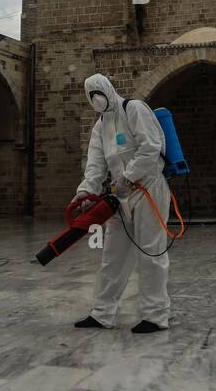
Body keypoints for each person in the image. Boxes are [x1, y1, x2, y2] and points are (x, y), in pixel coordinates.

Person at [72, 73, 170, 333]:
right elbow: (95, 165)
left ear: (108, 90)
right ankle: (103, 314)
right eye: (91, 96)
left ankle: (156, 316)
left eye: (99, 94)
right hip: (120, 195)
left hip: (149, 188)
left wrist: (129, 176)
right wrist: (85, 191)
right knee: (112, 256)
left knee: (151, 252)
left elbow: (151, 147)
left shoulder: (134, 109)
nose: (96, 100)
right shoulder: (100, 126)